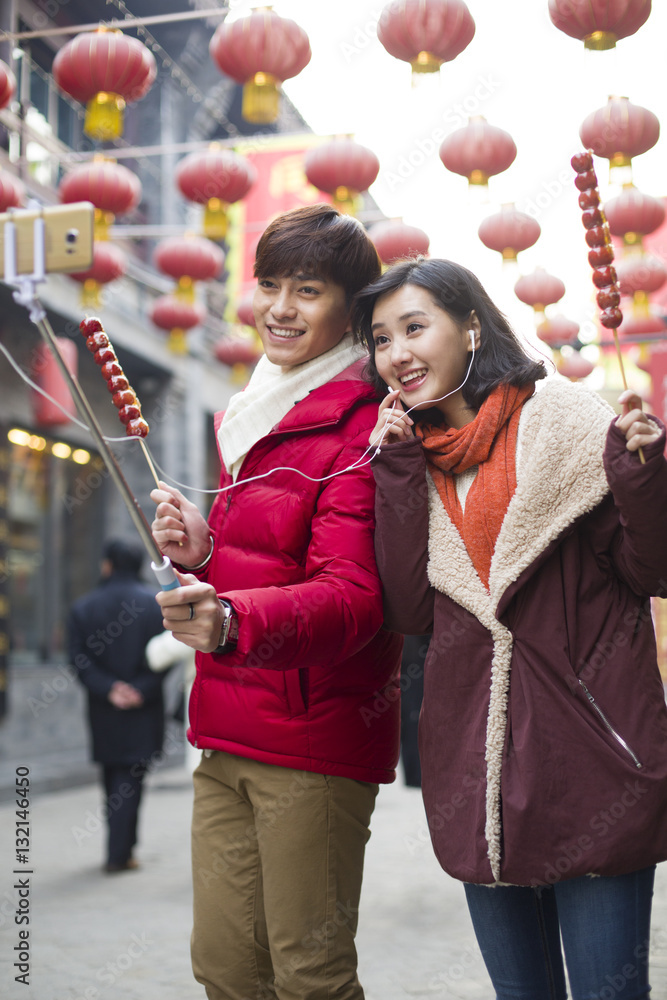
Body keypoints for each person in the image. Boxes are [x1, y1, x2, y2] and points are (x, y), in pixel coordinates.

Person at [355, 256, 667, 999]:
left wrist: (642, 477)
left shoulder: (568, 422)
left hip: (590, 765)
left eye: (413, 326)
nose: (396, 352)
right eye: (379, 338)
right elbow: (408, 610)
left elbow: (648, 572)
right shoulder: (407, 460)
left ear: (469, 326)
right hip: (478, 776)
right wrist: (394, 471)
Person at [150, 204, 402, 1000]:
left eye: (307, 290)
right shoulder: (260, 412)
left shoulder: (365, 432)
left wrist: (231, 621)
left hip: (314, 742)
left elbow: (353, 597)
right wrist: (205, 553)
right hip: (226, 733)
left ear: (352, 310)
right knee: (225, 969)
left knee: (309, 977)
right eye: (267, 285)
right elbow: (273, 562)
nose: (279, 309)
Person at [67, 538, 166, 873]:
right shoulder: (156, 603)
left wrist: (110, 689)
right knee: (131, 780)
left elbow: (78, 659)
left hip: (104, 709)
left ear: (108, 565)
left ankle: (119, 849)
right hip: (143, 707)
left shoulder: (84, 606)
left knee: (112, 776)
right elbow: (165, 657)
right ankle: (120, 853)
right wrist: (139, 689)